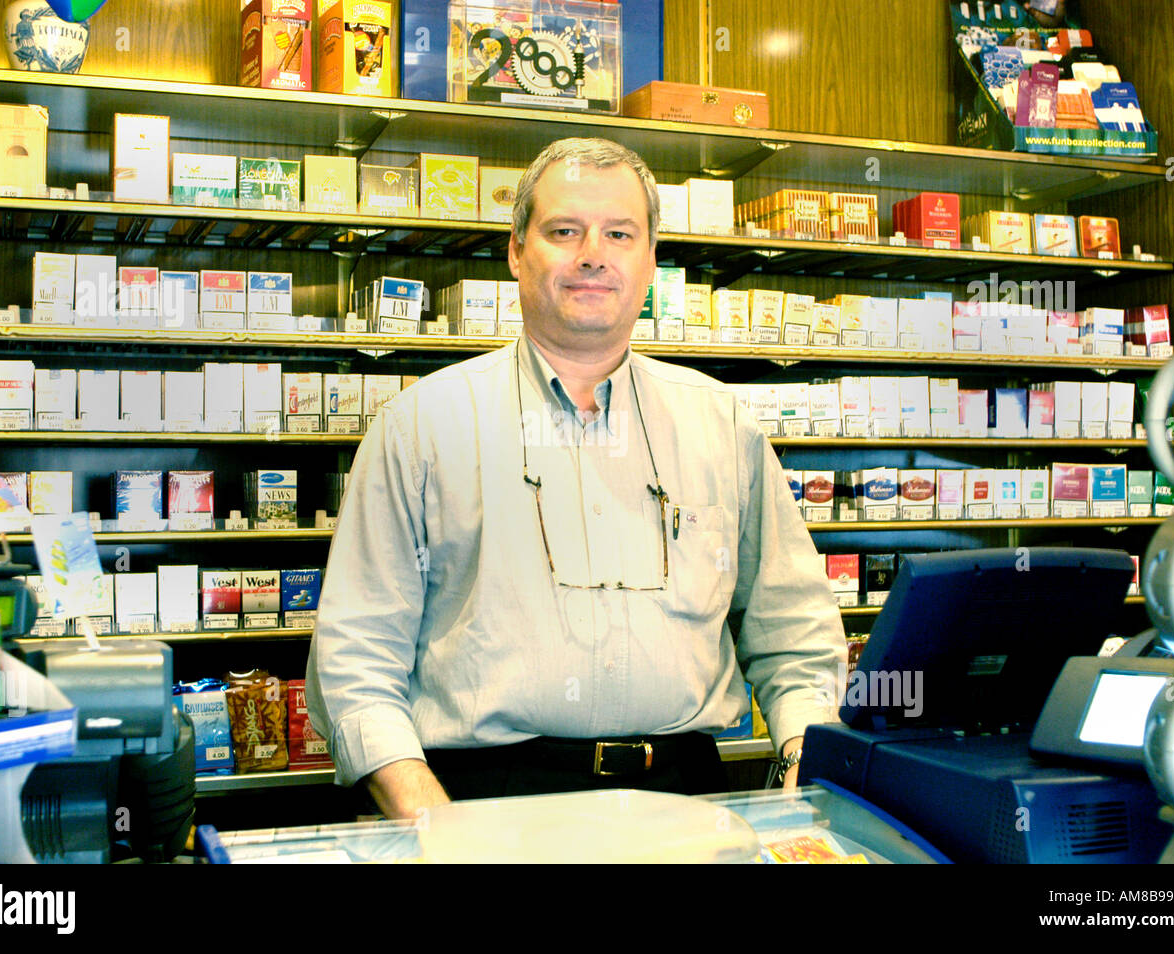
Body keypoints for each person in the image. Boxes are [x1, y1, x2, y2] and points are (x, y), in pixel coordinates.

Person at [306, 137, 847, 821]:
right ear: (515, 250)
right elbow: (356, 658)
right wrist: (433, 827)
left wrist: (803, 755)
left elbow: (793, 630)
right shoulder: (419, 427)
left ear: (651, 259)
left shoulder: (722, 426)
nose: (593, 252)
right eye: (565, 230)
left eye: (619, 233)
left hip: (688, 796)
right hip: (482, 800)